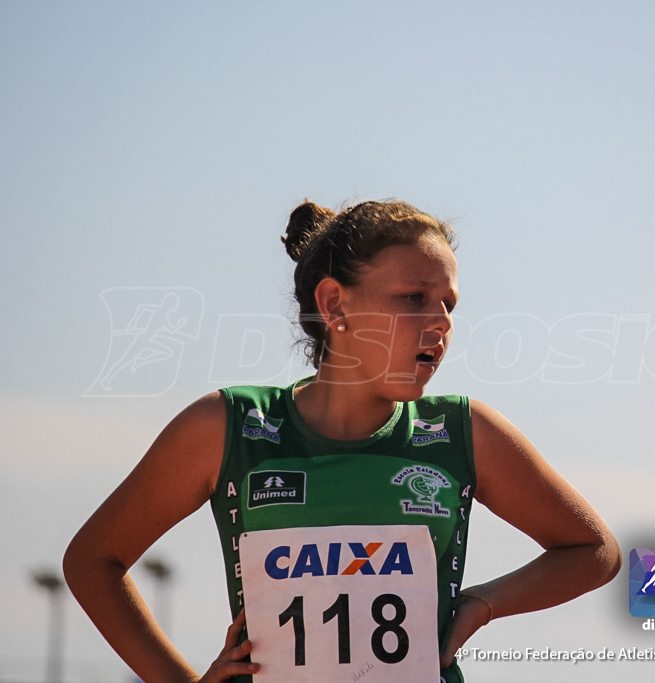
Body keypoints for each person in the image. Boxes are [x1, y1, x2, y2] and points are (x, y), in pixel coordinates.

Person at [64, 199, 622, 682]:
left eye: (449, 303)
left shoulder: (463, 431)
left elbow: (594, 550)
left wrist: (481, 603)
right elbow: (94, 560)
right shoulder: (228, 426)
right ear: (334, 303)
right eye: (414, 297)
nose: (442, 320)